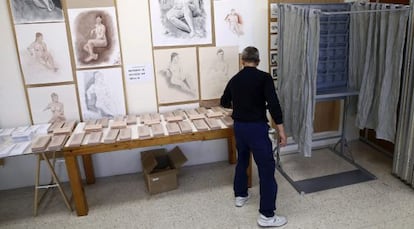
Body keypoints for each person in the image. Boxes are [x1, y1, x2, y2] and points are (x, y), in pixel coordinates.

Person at [220, 46, 288, 227]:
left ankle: (240, 195)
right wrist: (281, 130)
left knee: (242, 160)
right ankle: (267, 216)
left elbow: (224, 101)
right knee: (266, 169)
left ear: (242, 61)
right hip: (257, 129)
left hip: (240, 128)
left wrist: (238, 108)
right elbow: (274, 105)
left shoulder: (235, 80)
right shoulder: (264, 78)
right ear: (258, 61)